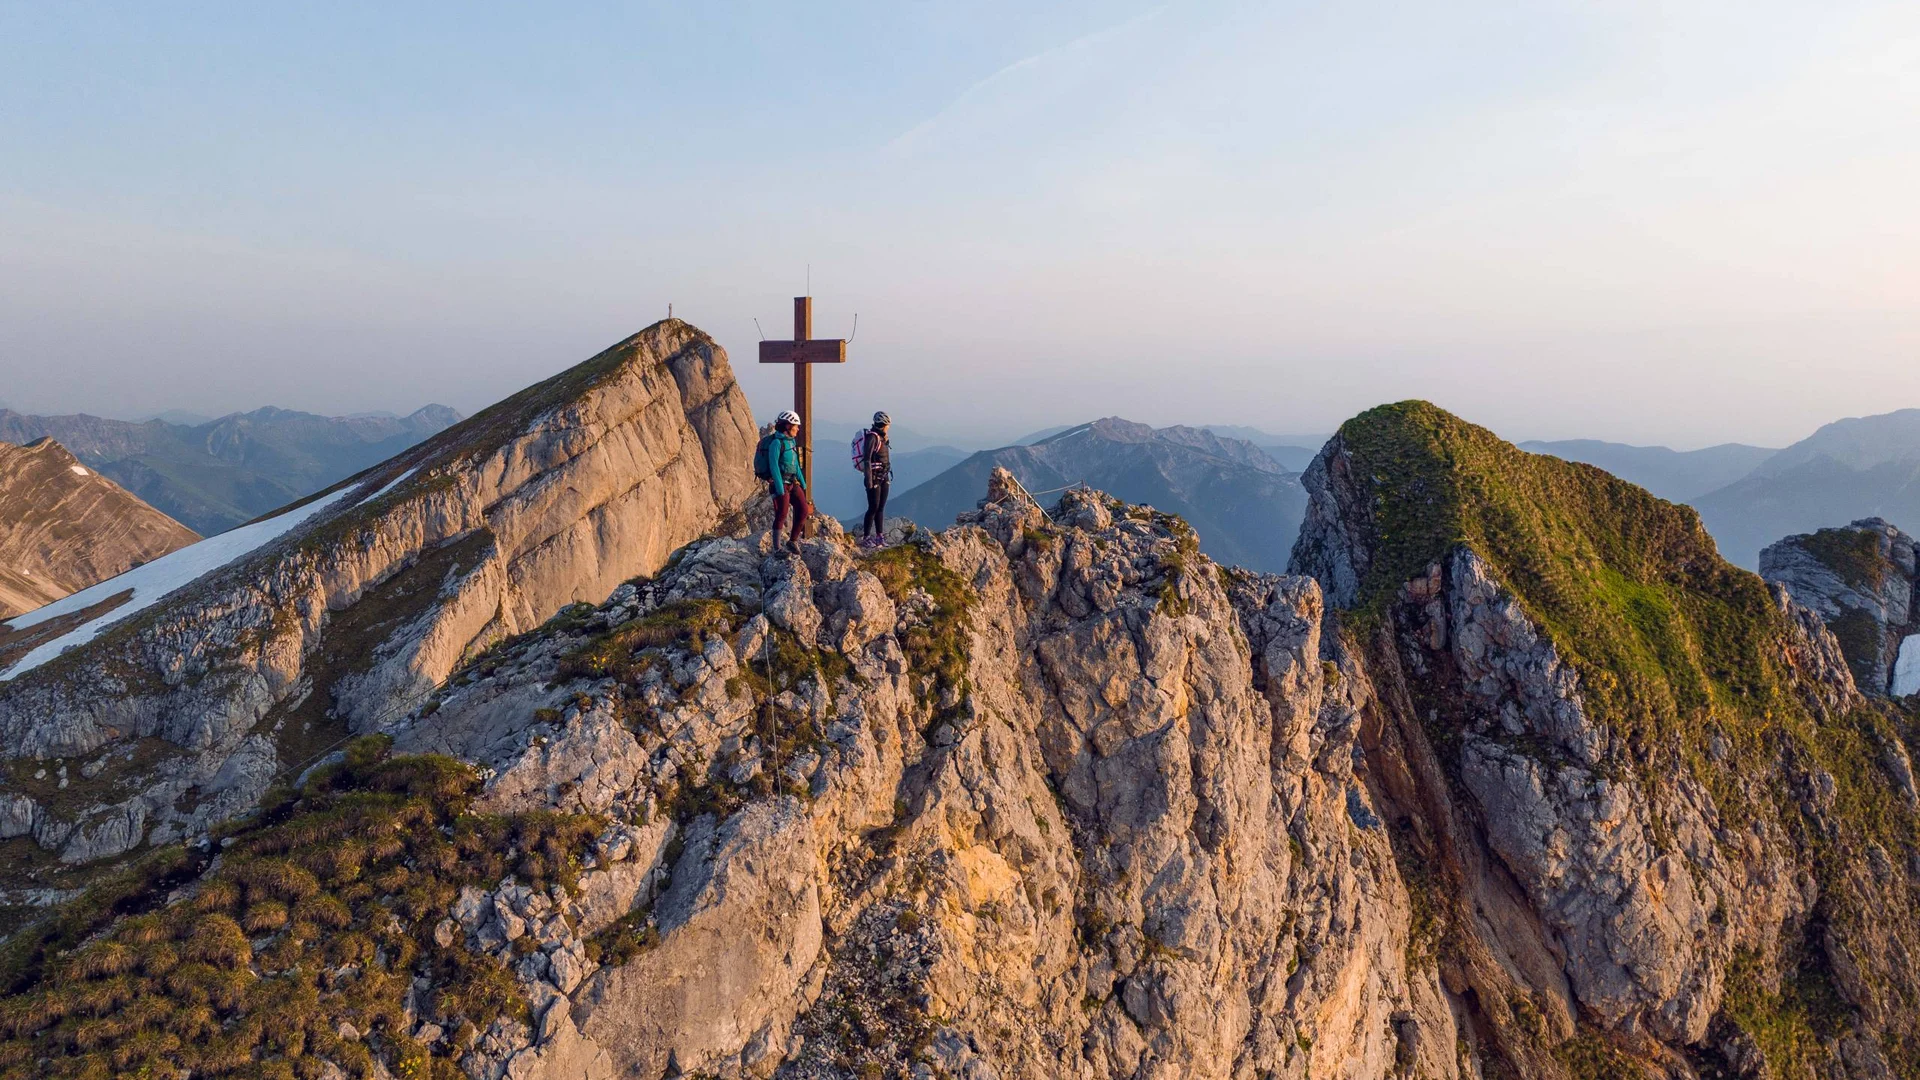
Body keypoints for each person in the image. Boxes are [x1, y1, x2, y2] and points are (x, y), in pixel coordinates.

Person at [756, 410, 810, 553]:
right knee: (782, 514)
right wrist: (780, 489)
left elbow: (796, 465)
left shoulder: (791, 442)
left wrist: (803, 484)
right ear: (787, 426)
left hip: (792, 482)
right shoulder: (776, 443)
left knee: (803, 510)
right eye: (796, 426)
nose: (798, 429)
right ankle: (777, 548)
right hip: (780, 484)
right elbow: (773, 466)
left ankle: (792, 541)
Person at [859, 411, 892, 548]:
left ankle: (879, 536)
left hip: (883, 476)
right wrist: (869, 480)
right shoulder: (872, 437)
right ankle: (866, 537)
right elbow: (867, 459)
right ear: (884, 424)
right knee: (873, 507)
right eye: (888, 425)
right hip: (874, 478)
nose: (888, 427)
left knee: (880, 507)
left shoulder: (882, 437)